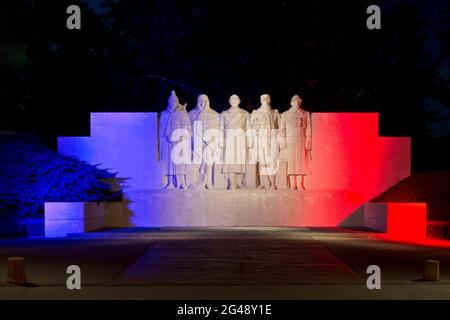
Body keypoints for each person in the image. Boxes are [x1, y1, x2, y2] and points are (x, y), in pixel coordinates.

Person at [159, 91, 191, 189]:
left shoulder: (182, 113)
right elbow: (161, 128)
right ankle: (170, 182)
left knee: (180, 161)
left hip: (180, 141)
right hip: (168, 142)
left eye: (174, 102)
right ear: (168, 102)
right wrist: (164, 139)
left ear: (177, 102)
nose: (173, 104)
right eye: (171, 102)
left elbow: (187, 127)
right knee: (169, 163)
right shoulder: (164, 114)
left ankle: (182, 182)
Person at [279, 95, 312, 190]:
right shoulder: (285, 114)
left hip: (301, 140)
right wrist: (283, 142)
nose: (296, 103)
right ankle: (293, 184)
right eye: (294, 101)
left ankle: (300, 184)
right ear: (291, 102)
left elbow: (309, 129)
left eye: (298, 101)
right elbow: (282, 129)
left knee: (301, 163)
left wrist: (308, 141)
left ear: (300, 102)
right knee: (291, 163)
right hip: (290, 141)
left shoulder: (305, 113)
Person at [188, 94, 220, 189]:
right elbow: (188, 129)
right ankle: (195, 182)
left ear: (208, 102)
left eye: (204, 101)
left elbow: (216, 129)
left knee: (208, 163)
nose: (202, 103)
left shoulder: (213, 114)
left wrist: (211, 140)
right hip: (196, 142)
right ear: (197, 102)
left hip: (208, 143)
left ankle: (208, 182)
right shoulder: (191, 113)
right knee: (196, 163)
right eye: (200, 101)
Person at [220, 94, 252, 190]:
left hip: (241, 138)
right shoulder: (224, 113)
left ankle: (238, 182)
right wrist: (221, 140)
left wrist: (250, 140)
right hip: (229, 138)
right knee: (230, 160)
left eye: (236, 100)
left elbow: (248, 128)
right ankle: (231, 183)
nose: (234, 101)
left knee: (240, 160)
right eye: (232, 100)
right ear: (230, 102)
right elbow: (221, 128)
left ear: (239, 101)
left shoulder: (245, 113)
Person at [251, 94, 280, 190]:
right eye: (263, 99)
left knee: (272, 160)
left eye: (267, 99)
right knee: (262, 161)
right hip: (261, 138)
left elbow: (279, 126)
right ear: (260, 101)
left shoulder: (275, 112)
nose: (266, 101)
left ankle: (273, 184)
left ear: (270, 100)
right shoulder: (256, 112)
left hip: (272, 138)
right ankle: (264, 182)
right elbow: (253, 126)